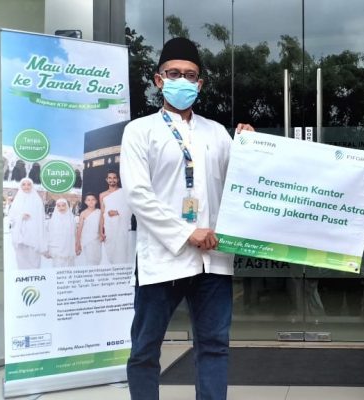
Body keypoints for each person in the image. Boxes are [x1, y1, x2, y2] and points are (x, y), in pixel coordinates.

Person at [120, 37, 254, 400]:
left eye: (190, 75)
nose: (182, 80)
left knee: (214, 346)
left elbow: (241, 183)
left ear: (200, 83)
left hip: (213, 259)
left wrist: (251, 148)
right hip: (163, 258)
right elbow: (138, 194)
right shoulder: (139, 131)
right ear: (158, 79)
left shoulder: (217, 133)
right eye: (174, 73)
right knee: (145, 348)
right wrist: (185, 233)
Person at [8, 178, 45, 269]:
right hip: (20, 234)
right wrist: (21, 217)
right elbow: (11, 217)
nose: (26, 187)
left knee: (34, 259)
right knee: (21, 259)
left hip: (33, 235)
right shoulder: (17, 200)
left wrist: (40, 236)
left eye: (29, 184)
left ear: (32, 186)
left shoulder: (37, 200)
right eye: (23, 184)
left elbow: (41, 219)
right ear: (20, 186)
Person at [100, 170, 131, 264]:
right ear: (106, 179)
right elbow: (102, 213)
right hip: (109, 227)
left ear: (117, 179)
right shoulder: (102, 195)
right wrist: (101, 231)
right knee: (110, 252)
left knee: (121, 250)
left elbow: (130, 208)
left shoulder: (123, 192)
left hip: (121, 226)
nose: (112, 180)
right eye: (110, 178)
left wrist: (117, 212)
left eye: (114, 178)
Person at [46, 198, 76, 267]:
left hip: (68, 248)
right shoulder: (53, 220)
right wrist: (49, 248)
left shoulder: (71, 219)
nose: (61, 208)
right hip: (57, 249)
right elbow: (50, 235)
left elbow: (74, 234)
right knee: (58, 266)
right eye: (59, 206)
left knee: (69, 267)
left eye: (63, 205)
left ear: (67, 206)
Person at [76, 193, 102, 265]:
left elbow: (101, 225)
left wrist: (101, 234)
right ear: (85, 202)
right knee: (90, 260)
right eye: (88, 200)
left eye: (93, 199)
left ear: (96, 201)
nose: (91, 201)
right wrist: (78, 243)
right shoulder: (83, 213)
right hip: (86, 240)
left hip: (96, 240)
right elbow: (79, 229)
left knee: (97, 260)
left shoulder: (99, 212)